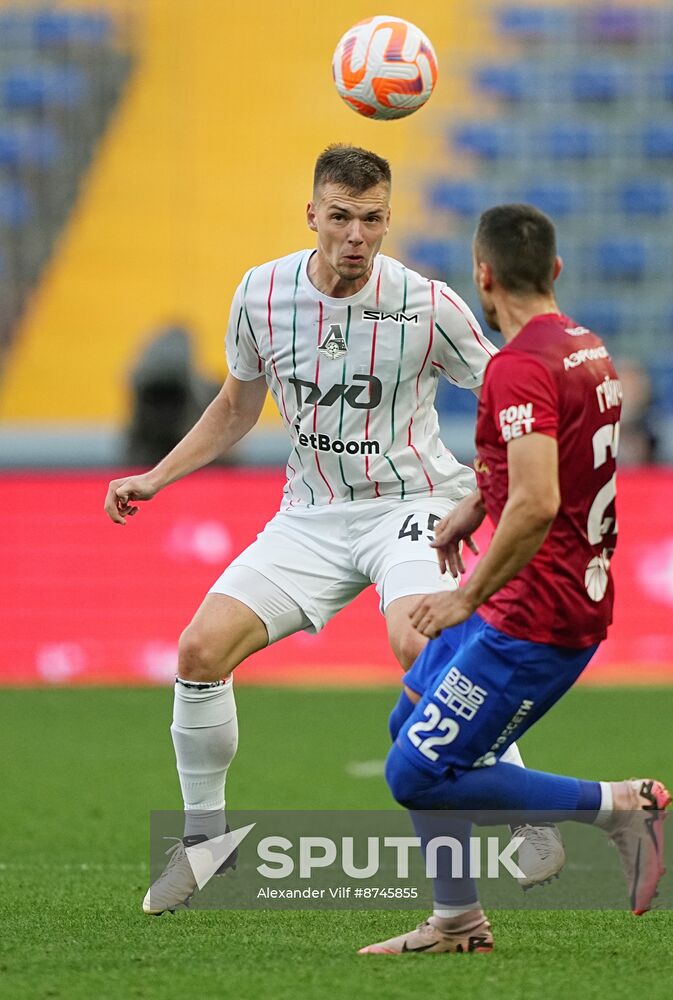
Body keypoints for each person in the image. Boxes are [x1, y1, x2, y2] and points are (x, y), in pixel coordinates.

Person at [103, 146, 563, 915]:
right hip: (310, 516)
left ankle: (519, 810)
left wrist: (489, 489)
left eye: (373, 219)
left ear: (389, 218)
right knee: (199, 650)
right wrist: (157, 475)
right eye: (341, 216)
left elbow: (507, 390)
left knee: (420, 642)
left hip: (409, 503)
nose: (356, 234)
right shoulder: (261, 292)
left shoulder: (426, 305)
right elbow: (235, 409)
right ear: (312, 214)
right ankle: (206, 841)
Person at [359, 204, 672, 956]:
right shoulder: (586, 348)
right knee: (408, 726)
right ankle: (458, 922)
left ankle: (621, 808)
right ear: (555, 271)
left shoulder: (518, 366)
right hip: (536, 596)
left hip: (533, 614)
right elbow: (548, 464)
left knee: (416, 774)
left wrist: (463, 594)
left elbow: (538, 500)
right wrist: (476, 502)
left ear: (483, 275)